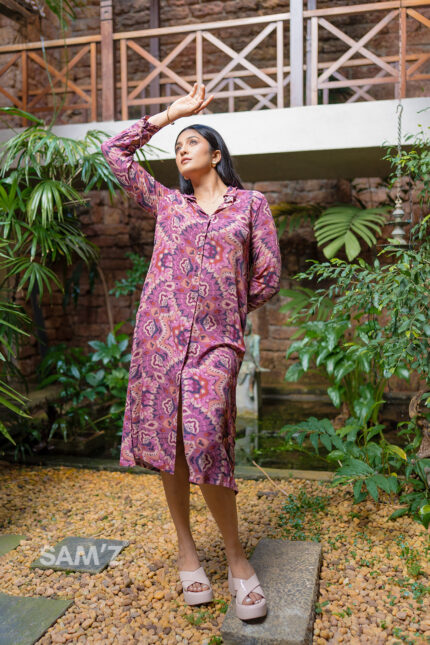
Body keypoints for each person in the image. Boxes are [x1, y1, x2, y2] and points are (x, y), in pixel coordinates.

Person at [100, 83, 282, 621]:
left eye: (192, 141)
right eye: (177, 146)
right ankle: (186, 549)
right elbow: (113, 152)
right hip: (159, 342)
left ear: (216, 154)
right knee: (169, 444)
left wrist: (224, 309)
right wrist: (169, 115)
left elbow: (268, 275)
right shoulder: (166, 202)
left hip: (215, 345)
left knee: (205, 437)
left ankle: (236, 558)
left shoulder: (250, 205)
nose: (182, 150)